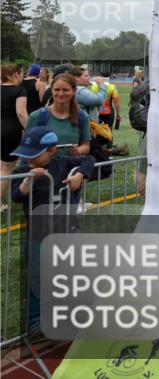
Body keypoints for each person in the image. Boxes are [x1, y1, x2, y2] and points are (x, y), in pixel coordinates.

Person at [10, 126, 95, 335]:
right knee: (37, 278)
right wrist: (28, 180)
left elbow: (89, 159)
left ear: (52, 150)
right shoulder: (22, 170)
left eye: (33, 154)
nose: (26, 158)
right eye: (24, 153)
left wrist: (80, 175)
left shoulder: (62, 163)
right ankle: (35, 320)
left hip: (63, 233)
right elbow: (15, 196)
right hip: (38, 237)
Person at [1, 64, 29, 202]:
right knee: (6, 169)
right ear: (15, 74)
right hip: (11, 131)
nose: (22, 77)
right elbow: (21, 113)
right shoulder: (19, 91)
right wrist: (30, 129)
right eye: (21, 74)